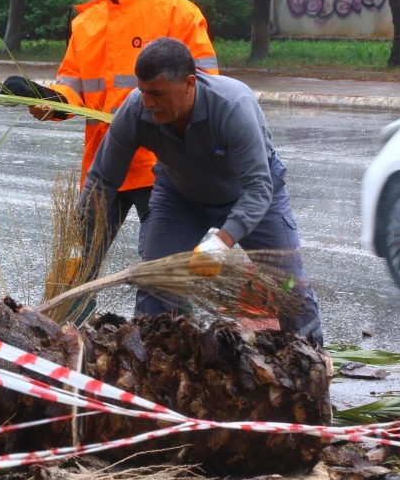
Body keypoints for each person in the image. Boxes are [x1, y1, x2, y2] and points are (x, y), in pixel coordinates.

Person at [7, 0, 218, 275]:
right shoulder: (86, 24)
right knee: (73, 269)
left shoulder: (176, 14)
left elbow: (207, 89)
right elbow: (71, 91)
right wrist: (45, 99)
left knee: (163, 272)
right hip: (103, 169)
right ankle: (62, 327)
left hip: (161, 167)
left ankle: (164, 328)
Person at [80, 38, 323, 346]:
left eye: (157, 93)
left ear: (189, 84)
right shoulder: (135, 109)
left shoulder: (233, 107)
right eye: (143, 91)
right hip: (179, 197)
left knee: (289, 285)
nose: (148, 102)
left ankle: (311, 365)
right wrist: (81, 244)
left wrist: (223, 241)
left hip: (251, 196)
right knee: (155, 283)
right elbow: (102, 180)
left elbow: (259, 188)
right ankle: (158, 365)